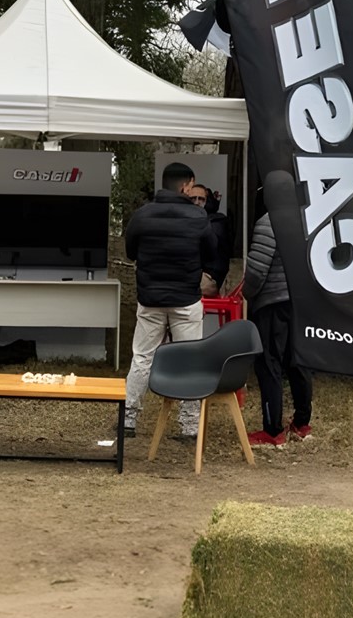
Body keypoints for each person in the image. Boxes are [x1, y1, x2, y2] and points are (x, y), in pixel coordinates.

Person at [122, 162, 219, 440]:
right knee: (190, 360)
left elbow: (130, 252)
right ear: (187, 185)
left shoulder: (142, 215)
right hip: (186, 299)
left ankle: (128, 418)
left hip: (150, 298)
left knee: (142, 357)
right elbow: (211, 252)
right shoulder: (198, 217)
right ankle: (189, 426)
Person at [242, 210, 311, 446]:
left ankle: (272, 430)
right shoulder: (309, 217)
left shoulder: (269, 221)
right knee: (298, 361)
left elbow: (257, 269)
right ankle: (302, 423)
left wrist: (247, 294)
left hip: (273, 301)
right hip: (302, 301)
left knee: (268, 363)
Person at [186, 184, 232, 294]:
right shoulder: (186, 220)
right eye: (193, 198)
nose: (197, 202)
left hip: (209, 277)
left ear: (208, 201)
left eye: (201, 199)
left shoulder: (217, 222)